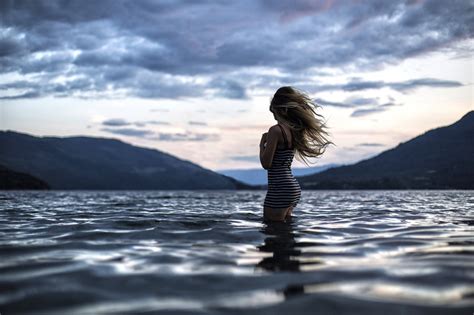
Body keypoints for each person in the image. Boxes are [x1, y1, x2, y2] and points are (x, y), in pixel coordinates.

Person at [259, 86, 334, 222]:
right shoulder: (295, 131)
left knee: (271, 230)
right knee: (285, 231)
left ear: (283, 110)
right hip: (292, 188)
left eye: (274, 113)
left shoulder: (275, 130)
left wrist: (262, 144)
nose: (274, 117)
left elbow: (266, 164)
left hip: (279, 188)